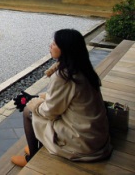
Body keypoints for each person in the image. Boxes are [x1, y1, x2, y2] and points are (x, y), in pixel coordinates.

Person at [11, 29, 112, 167]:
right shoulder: (83, 69)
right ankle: (41, 144)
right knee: (36, 107)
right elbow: (64, 99)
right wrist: (39, 97)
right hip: (95, 136)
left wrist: (32, 103)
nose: (50, 46)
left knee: (28, 112)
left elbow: (50, 111)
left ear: (65, 49)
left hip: (81, 142)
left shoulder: (64, 76)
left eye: (54, 43)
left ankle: (32, 157)